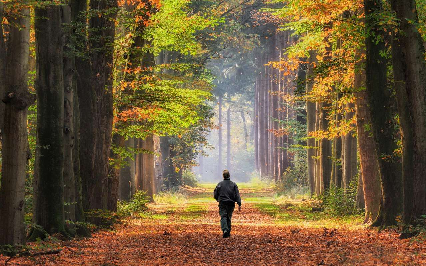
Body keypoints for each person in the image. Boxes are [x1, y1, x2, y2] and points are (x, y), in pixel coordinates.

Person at [214, 170, 241, 238]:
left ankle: (225, 230)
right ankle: (228, 232)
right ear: (229, 175)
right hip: (231, 203)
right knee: (229, 217)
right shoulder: (233, 184)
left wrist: (218, 199)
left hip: (222, 202)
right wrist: (239, 203)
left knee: (223, 216)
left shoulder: (219, 184)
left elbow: (215, 193)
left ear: (223, 176)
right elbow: (237, 194)